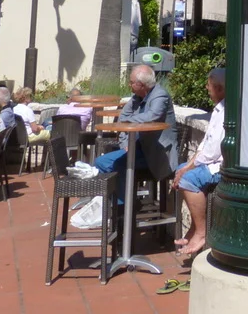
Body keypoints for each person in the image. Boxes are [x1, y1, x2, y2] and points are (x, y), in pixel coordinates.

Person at [93, 65, 176, 206]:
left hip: (157, 154)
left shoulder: (159, 95)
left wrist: (129, 121)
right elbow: (123, 118)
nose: (129, 84)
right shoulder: (137, 97)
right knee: (101, 162)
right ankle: (115, 205)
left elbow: (152, 115)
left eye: (131, 82)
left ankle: (123, 210)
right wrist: (125, 144)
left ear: (141, 84)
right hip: (138, 148)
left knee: (119, 165)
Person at [171, 67, 224, 258]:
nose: (207, 89)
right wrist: (186, 167)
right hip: (211, 161)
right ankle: (195, 228)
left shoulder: (226, 111)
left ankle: (201, 233)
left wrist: (187, 170)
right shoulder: (218, 110)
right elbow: (204, 145)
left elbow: (212, 151)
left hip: (221, 167)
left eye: (209, 86)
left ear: (219, 88)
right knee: (181, 170)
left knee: (188, 179)